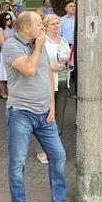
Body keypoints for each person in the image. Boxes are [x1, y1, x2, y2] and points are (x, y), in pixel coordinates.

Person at [3, 11, 82, 202]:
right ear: (26, 27)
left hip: (44, 113)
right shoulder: (11, 46)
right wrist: (38, 46)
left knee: (58, 156)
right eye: (39, 23)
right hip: (21, 113)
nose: (43, 27)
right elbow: (29, 69)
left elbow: (47, 72)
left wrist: (52, 106)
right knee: (18, 162)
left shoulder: (42, 43)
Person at [35, 14, 72, 164]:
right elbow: (36, 64)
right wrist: (51, 67)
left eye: (58, 23)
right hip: (48, 83)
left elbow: (67, 58)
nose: (57, 26)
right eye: (53, 24)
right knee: (46, 117)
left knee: (59, 118)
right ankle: (41, 149)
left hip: (63, 81)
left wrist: (70, 65)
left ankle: (54, 149)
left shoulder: (63, 41)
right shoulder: (42, 42)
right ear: (45, 26)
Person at [0, 11, 15, 99]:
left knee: (11, 74)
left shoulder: (13, 29)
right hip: (5, 53)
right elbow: (2, 43)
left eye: (10, 18)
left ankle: (10, 92)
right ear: (3, 20)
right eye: (7, 19)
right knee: (4, 74)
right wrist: (13, 45)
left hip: (13, 53)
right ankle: (3, 92)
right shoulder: (0, 29)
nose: (9, 20)